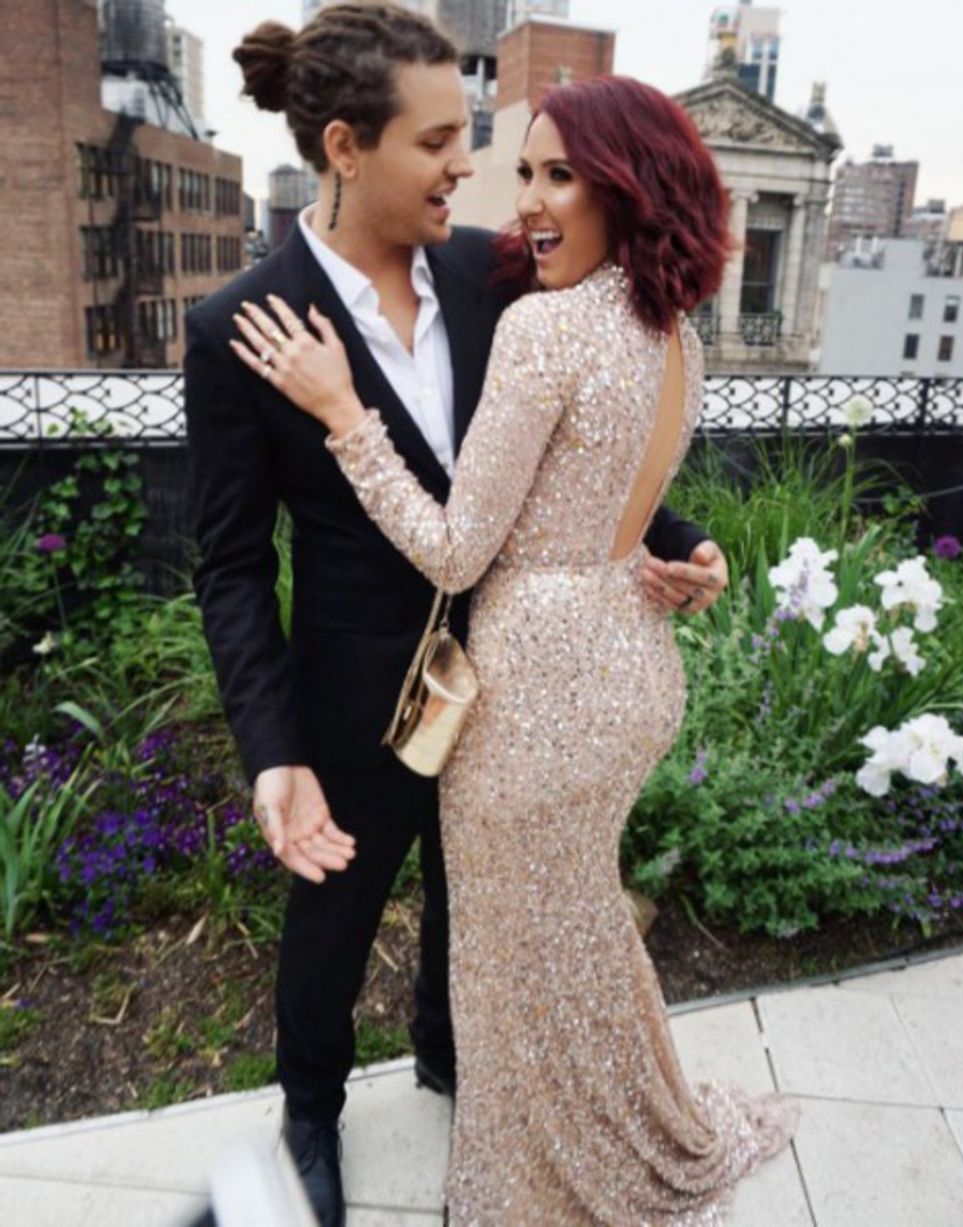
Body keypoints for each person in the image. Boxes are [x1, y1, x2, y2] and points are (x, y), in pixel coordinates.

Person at [186, 5, 730, 1224]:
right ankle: (309, 1114)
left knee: (472, 908)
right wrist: (273, 749)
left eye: (469, 139)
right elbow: (228, 566)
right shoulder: (240, 327)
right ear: (345, 147)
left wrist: (677, 539)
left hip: (524, 690)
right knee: (332, 921)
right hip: (362, 690)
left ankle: (454, 1059)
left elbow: (573, 448)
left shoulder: (500, 270)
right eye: (437, 142)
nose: (466, 169)